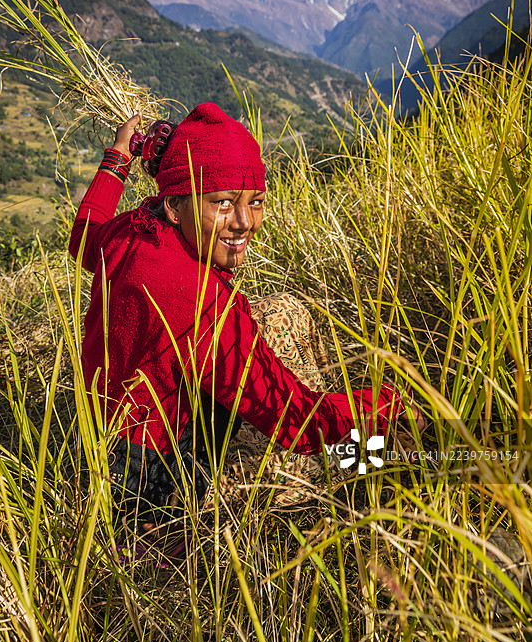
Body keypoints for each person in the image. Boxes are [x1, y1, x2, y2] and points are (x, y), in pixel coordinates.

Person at [69, 103, 418, 533]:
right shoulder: (202, 303)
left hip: (96, 438)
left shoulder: (134, 231)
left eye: (255, 202)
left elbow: (83, 238)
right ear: (175, 205)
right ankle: (382, 453)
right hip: (150, 488)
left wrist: (118, 158)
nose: (245, 223)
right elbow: (298, 423)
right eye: (223, 203)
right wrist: (388, 402)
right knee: (325, 452)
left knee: (281, 312)